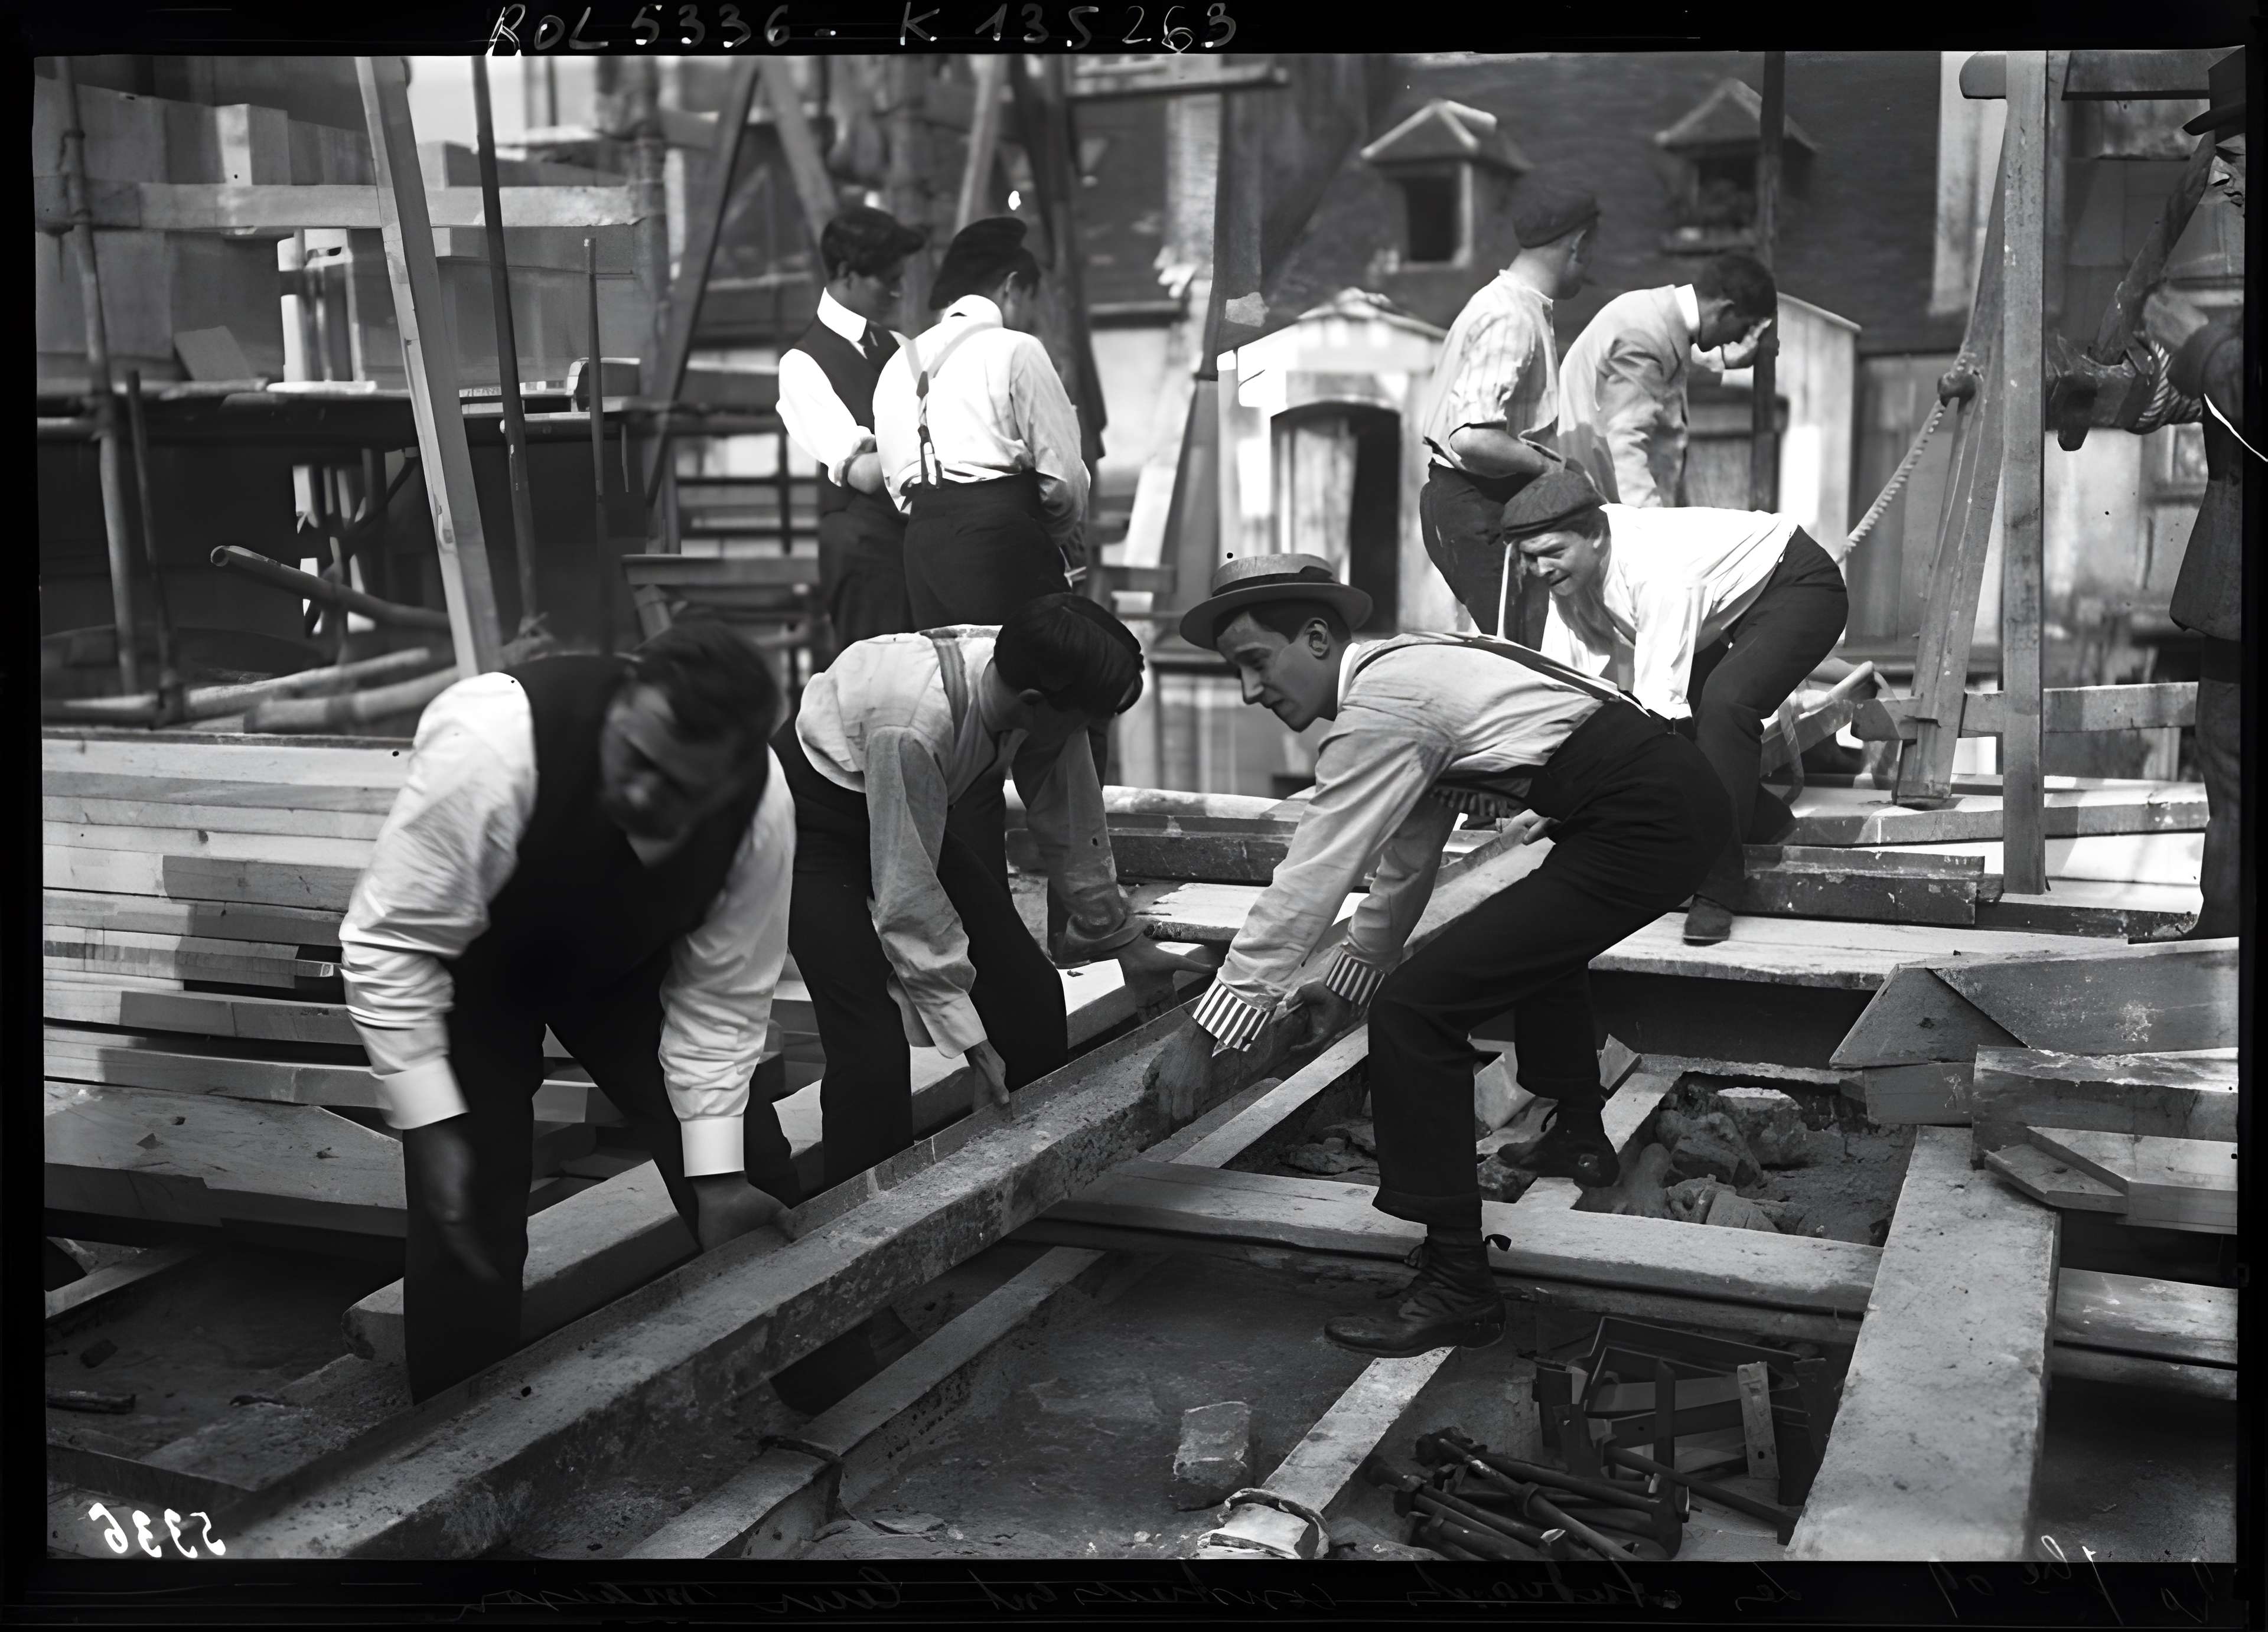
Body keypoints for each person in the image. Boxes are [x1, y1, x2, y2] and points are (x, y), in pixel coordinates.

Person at [1144, 555, 1732, 1359]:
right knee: (1531, 946)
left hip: (1644, 818)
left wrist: (1212, 1030)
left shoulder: (1384, 705)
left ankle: (1456, 1281)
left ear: (1316, 638)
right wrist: (1350, 978)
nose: (1252, 691)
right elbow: (1408, 854)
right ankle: (1580, 1135)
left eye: (1256, 663)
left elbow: (1314, 875)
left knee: (1417, 1012)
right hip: (1661, 803)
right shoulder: (1408, 674)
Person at [340, 623, 796, 1402]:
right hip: (473, 975)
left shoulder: (761, 812)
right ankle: (461, 1468)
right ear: (621, 705)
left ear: (727, 781)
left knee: (745, 1164)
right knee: (467, 1219)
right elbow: (392, 942)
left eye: (680, 788)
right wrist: (432, 1117)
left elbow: (722, 1001)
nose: (646, 794)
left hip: (621, 968)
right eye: (637, 759)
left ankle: (825, 1374)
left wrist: (716, 1176)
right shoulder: (491, 745)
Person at [777, 593, 1207, 1191]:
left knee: (1030, 993)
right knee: (869, 1043)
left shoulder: (1041, 677)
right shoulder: (916, 722)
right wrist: (971, 1039)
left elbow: (1070, 817)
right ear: (1036, 706)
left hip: (906, 800)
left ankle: (1026, 1179)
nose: (1084, 733)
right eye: (1082, 721)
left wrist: (1124, 940)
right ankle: (866, 1222)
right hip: (812, 824)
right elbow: (909, 899)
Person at [1513, 469, 1849, 945]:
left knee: (1724, 704)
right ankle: (1766, 820)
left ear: (1595, 534)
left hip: (1795, 582)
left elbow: (1657, 717)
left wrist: (1586, 798)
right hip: (1720, 607)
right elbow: (1568, 693)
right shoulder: (1571, 577)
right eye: (1530, 558)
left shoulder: (1656, 570)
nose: (1541, 569)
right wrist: (1549, 790)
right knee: (1685, 722)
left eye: (1552, 552)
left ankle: (1718, 888)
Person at [872, 216, 1096, 884]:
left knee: (959, 713)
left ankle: (976, 886)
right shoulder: (1015, 349)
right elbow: (1064, 480)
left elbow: (897, 487)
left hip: (927, 543)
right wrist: (1043, 535)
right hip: (1004, 539)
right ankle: (1081, 892)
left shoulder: (897, 363)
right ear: (1012, 286)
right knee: (1062, 704)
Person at [1417, 179, 1599, 643]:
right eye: (1591, 251)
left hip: (1474, 505)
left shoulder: (1505, 304)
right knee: (1526, 653)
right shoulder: (1512, 317)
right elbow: (1471, 437)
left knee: (1526, 648)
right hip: (1475, 507)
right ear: (1577, 245)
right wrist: (1550, 467)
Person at [2162, 47, 2247, 940]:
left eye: (2237, 157)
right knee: (2227, 766)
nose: (2222, 179)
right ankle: (2221, 937)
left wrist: (2192, 345)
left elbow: (2229, 371)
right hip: (2229, 590)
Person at [778, 206, 929, 649]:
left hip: (919, 545)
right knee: (881, 688)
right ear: (846, 274)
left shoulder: (901, 348)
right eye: (888, 279)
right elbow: (862, 472)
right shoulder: (801, 365)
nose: (900, 292)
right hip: (864, 554)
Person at [1558, 252, 1780, 507]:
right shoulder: (1644, 338)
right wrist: (1654, 530)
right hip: (1611, 504)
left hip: (1602, 492)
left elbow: (1662, 369)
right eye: (1743, 328)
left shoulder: (1652, 312)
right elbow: (1625, 448)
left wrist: (1722, 362)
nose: (1738, 339)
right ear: (1726, 311)